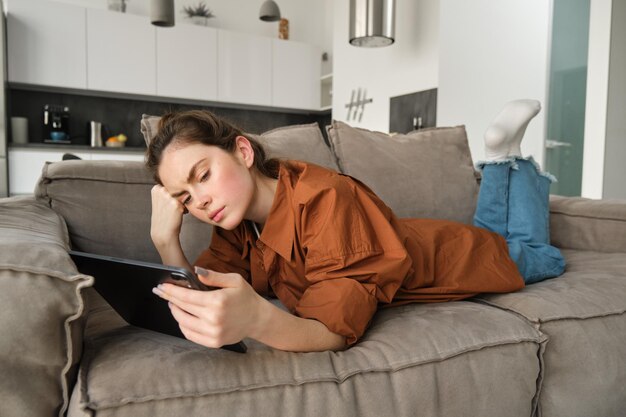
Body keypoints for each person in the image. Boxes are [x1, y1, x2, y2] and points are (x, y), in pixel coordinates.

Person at [147, 100, 565, 353]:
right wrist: (165, 239)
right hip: (420, 235)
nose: (198, 201)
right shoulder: (234, 224)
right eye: (183, 197)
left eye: (202, 175)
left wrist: (257, 321)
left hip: (459, 257)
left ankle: (504, 155)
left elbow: (332, 332)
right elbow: (201, 302)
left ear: (242, 150)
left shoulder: (324, 198)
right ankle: (499, 158)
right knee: (494, 230)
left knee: (539, 253)